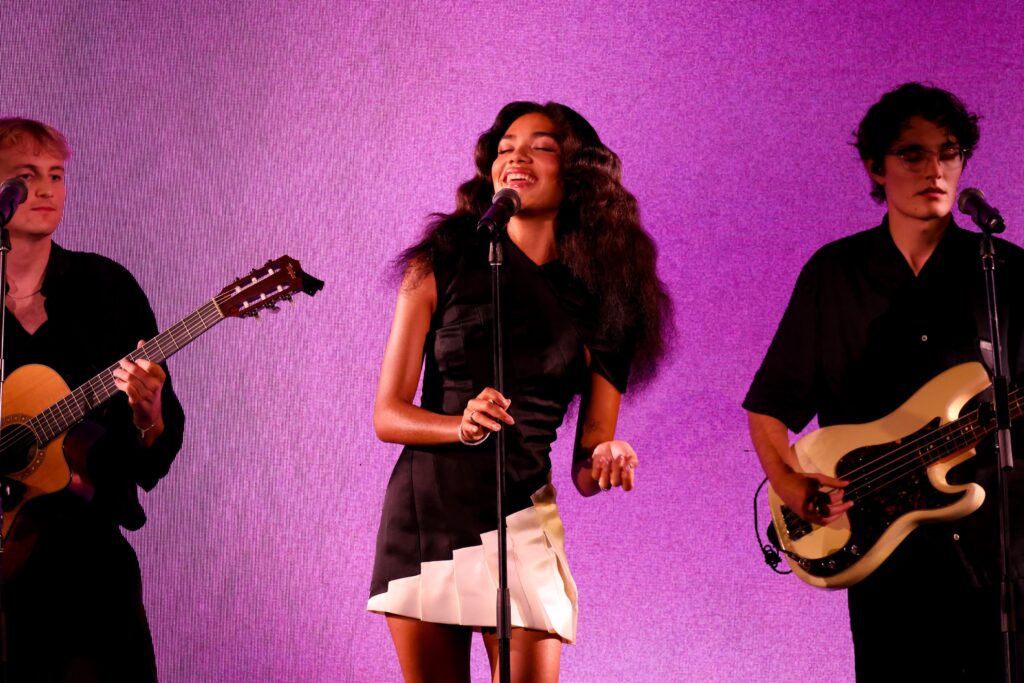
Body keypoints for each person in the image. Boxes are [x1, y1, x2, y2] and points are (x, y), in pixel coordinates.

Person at [368, 101, 669, 682]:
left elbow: (588, 466)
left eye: (542, 147)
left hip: (521, 511)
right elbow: (388, 415)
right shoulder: (437, 265)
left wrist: (608, 455)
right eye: (506, 148)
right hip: (426, 514)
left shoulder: (607, 300)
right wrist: (458, 425)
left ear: (577, 172)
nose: (517, 158)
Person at [745, 83, 1024, 681]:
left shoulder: (1007, 272)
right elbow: (769, 404)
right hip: (886, 563)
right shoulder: (834, 275)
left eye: (948, 153)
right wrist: (788, 482)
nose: (935, 170)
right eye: (912, 154)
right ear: (876, 167)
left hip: (999, 555)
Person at [0, 118, 185, 682]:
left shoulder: (106, 289)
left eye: (56, 175)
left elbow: (157, 448)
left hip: (87, 568)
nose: (46, 189)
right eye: (26, 176)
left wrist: (148, 419)